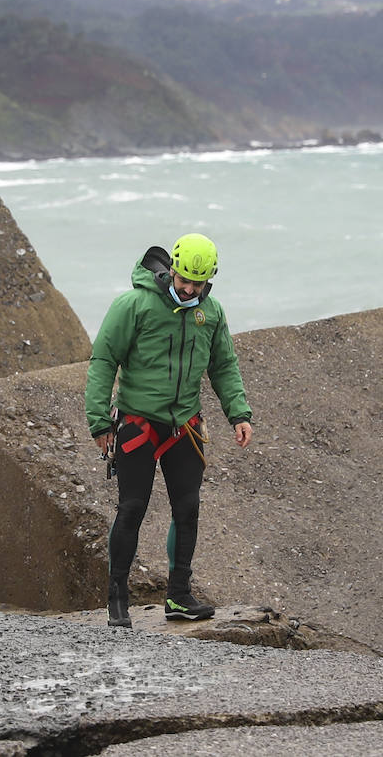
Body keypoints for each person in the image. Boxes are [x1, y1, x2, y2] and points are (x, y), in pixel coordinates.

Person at [85, 233, 253, 627]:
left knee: (188, 509)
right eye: (184, 280)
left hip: (185, 426)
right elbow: (103, 360)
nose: (189, 289)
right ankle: (117, 598)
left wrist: (239, 414)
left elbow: (223, 366)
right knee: (132, 509)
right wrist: (98, 422)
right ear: (172, 269)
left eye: (199, 283)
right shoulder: (134, 305)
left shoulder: (211, 314)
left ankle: (178, 596)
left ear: (210, 279)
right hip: (138, 424)